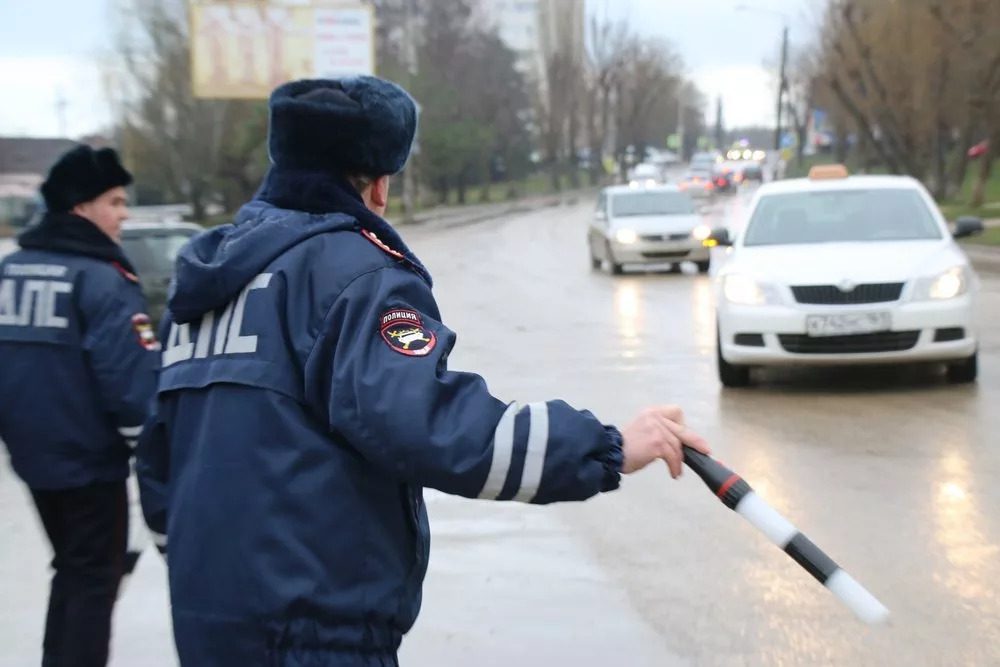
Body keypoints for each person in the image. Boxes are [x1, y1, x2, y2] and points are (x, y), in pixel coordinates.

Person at [135, 76, 710, 667]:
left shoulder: (204, 283)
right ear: (378, 184)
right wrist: (607, 447)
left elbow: (157, 460)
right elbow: (433, 426)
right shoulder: (355, 275)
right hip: (314, 637)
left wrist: (205, 580)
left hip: (207, 626)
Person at [0, 145, 160, 666]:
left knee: (71, 569)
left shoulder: (11, 271)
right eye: (114, 201)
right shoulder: (100, 278)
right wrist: (157, 449)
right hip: (90, 462)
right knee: (96, 579)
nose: (124, 212)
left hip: (34, 460)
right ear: (79, 208)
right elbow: (130, 384)